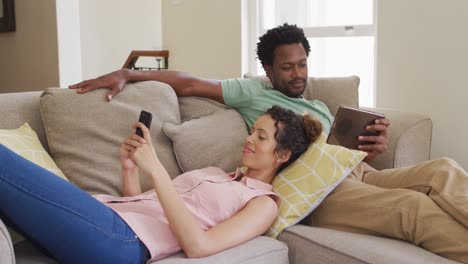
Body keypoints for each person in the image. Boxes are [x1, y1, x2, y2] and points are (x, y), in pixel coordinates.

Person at [70, 24, 468, 262]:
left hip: (353, 170)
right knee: (412, 208)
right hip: (321, 192)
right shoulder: (254, 94)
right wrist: (127, 73)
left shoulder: (316, 104)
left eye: (302, 64)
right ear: (268, 70)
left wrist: (368, 147)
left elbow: (336, 151)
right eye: (287, 67)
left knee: (443, 169)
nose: (297, 74)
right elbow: (189, 82)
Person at [0, 106, 323, 263]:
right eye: (252, 130)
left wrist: (157, 170)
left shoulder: (263, 203)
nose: (249, 139)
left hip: (121, 242)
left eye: (261, 137)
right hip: (112, 220)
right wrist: (130, 169)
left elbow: (200, 246)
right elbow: (147, 208)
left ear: (282, 154)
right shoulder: (217, 173)